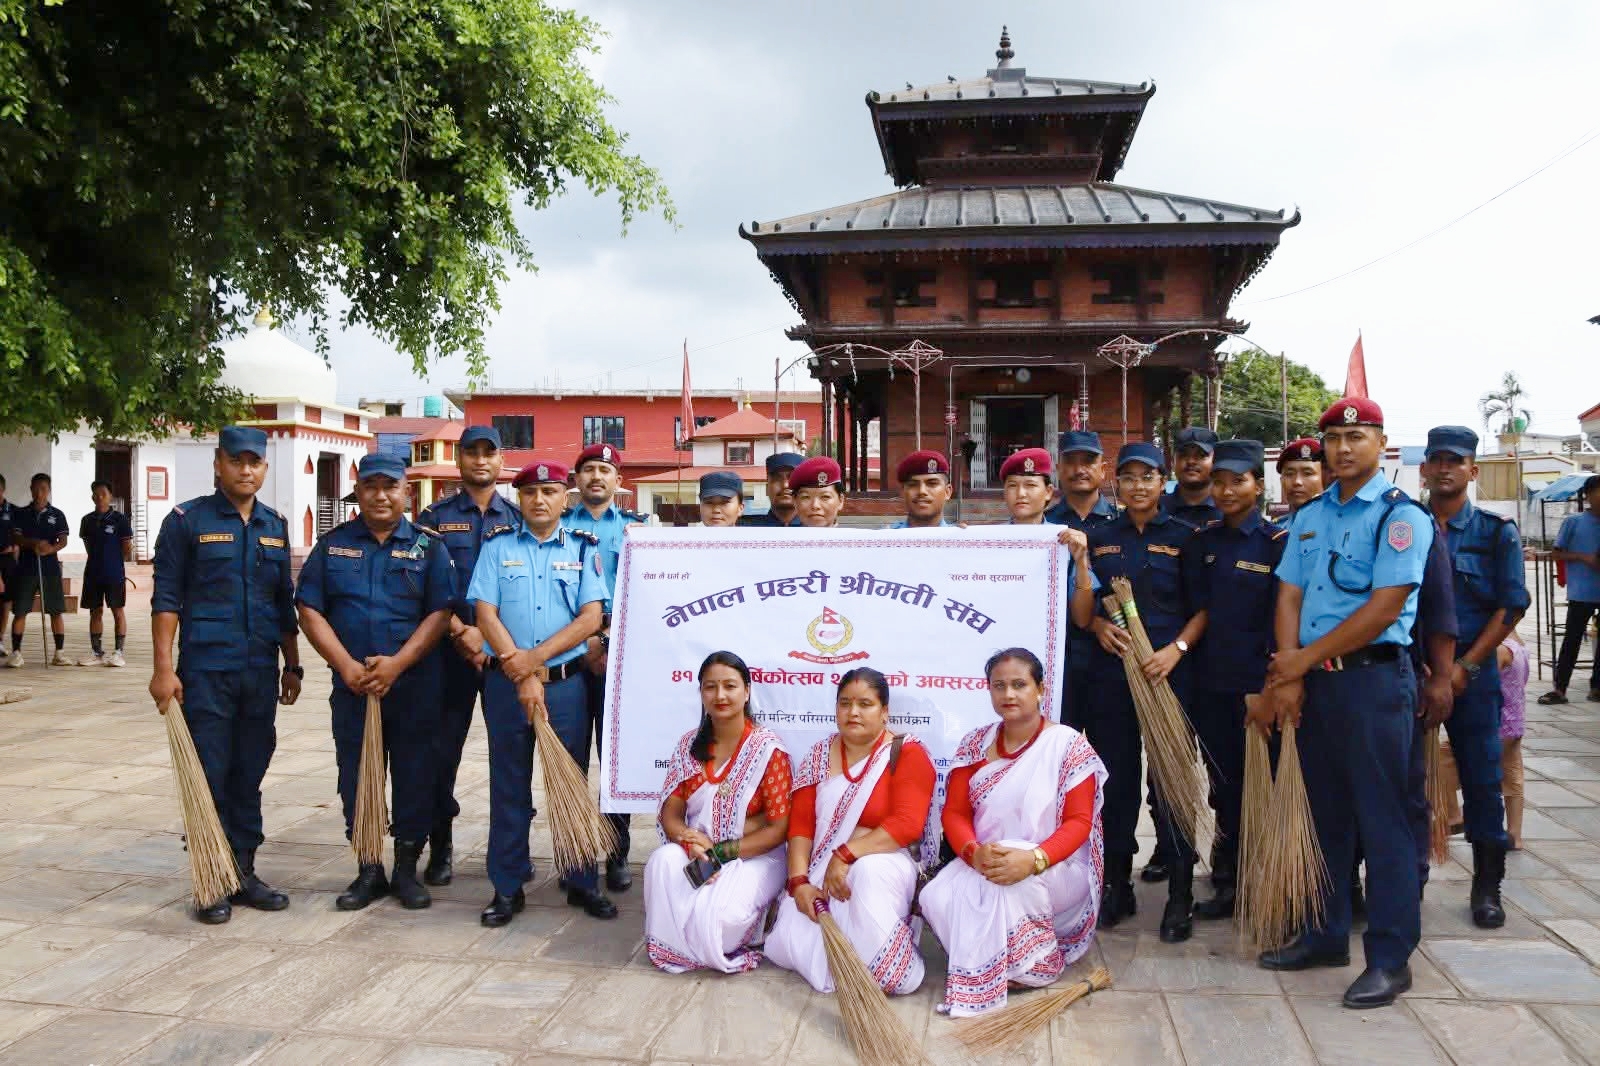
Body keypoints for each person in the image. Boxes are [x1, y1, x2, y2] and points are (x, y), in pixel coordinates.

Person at [1258, 396, 1432, 1010]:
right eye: (1333, 438)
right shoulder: (1313, 516)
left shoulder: (1399, 517)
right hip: (1318, 686)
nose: (1342, 448)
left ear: (1381, 443)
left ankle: (1390, 958)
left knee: (1383, 822)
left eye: (1356, 437)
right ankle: (1326, 935)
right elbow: (1288, 595)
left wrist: (1300, 661)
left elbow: (1385, 605)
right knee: (1324, 815)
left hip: (1373, 683)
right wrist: (1292, 676)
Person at [149, 426, 302, 924]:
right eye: (236, 461)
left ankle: (243, 871)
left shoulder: (275, 526)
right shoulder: (186, 521)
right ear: (218, 463)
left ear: (264, 467)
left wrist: (293, 663)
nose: (246, 470)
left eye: (255, 462)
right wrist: (162, 669)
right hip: (206, 673)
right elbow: (166, 598)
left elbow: (283, 606)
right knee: (209, 773)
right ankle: (209, 878)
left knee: (249, 773)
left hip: (259, 671)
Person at [295, 454, 455, 912]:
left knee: (415, 775)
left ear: (407, 492)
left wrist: (398, 664)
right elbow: (309, 609)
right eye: (371, 486)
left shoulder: (429, 547)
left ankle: (406, 869)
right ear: (358, 491)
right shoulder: (334, 545)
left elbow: (440, 613)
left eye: (391, 486)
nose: (381, 495)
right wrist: (345, 665)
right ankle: (369, 869)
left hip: (413, 686)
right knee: (357, 776)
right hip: (354, 688)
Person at [920, 648, 1107, 1018]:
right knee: (936, 897)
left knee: (1007, 885)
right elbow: (955, 812)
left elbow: (1079, 823)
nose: (1008, 694)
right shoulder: (975, 744)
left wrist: (1033, 858)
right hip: (987, 859)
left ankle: (1036, 966)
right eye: (999, 686)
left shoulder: (1068, 745)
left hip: (1056, 866)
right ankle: (994, 960)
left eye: (1019, 685)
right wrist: (973, 852)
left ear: (1041, 689)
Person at [471, 459, 612, 925]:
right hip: (506, 686)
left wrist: (535, 660)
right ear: (520, 498)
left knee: (570, 780)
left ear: (563, 498)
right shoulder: (496, 547)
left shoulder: (582, 548)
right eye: (530, 492)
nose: (539, 499)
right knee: (508, 784)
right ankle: (507, 886)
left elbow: (591, 618)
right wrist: (523, 670)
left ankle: (580, 880)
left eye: (549, 491)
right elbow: (485, 615)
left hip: (567, 685)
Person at [1083, 442, 1204, 940]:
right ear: (1117, 482)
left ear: (1163, 481)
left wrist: (1176, 648)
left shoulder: (1186, 536)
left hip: (1169, 677)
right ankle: (1117, 884)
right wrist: (1095, 625)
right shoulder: (1098, 537)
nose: (1137, 486)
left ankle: (1180, 893)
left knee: (1171, 784)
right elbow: (1081, 599)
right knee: (1117, 784)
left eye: (1147, 477)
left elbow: (1204, 608)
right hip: (1114, 679)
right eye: (1128, 477)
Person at [764, 668, 936, 995]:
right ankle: (853, 963)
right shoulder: (819, 754)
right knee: (788, 941)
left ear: (885, 712)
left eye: (865, 704)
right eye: (844, 703)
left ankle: (890, 969)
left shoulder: (907, 753)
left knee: (867, 872)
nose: (853, 712)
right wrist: (799, 883)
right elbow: (802, 826)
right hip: (820, 868)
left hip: (885, 862)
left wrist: (846, 854)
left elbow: (906, 824)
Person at [1421, 425, 1528, 928]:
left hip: (1473, 671)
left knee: (1483, 780)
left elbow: (1511, 605)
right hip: (1414, 669)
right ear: (1423, 467)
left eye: (1455, 461)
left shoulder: (1494, 531)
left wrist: (1465, 667)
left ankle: (1488, 885)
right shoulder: (1405, 524)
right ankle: (1406, 875)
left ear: (1472, 470)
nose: (1444, 469)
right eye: (1436, 460)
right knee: (1405, 778)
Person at [1182, 440, 1287, 921]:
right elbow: (1197, 611)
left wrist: (1266, 686)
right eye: (1220, 480)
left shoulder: (1276, 545)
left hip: (1257, 689)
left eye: (1237, 480)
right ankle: (1228, 879)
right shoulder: (1202, 543)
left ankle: (1266, 877)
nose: (1226, 490)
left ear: (1258, 486)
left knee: (1260, 786)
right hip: (1210, 685)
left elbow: (1281, 620)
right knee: (1222, 786)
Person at [414, 425, 521, 887]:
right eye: (471, 453)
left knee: (512, 756)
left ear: (501, 461)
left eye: (489, 453)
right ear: (459, 461)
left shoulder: (518, 520)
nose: (480, 461)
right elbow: (417, 580)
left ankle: (510, 852)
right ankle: (440, 847)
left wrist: (489, 638)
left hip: (501, 656)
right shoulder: (433, 517)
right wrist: (461, 631)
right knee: (440, 756)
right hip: (447, 656)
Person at [644, 651, 792, 972]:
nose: (720, 695)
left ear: (747, 691)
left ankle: (699, 933)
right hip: (700, 851)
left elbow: (779, 828)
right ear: (700, 693)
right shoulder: (689, 746)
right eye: (710, 687)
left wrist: (721, 852)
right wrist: (688, 841)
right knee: (662, 861)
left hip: (756, 856)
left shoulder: (768, 750)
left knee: (722, 930)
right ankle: (682, 940)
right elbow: (671, 812)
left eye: (730, 686)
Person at [562, 442, 646, 892]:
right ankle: (574, 852)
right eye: (588, 470)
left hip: (621, 657)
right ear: (576, 480)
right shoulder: (556, 527)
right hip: (571, 657)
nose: (596, 477)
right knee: (571, 757)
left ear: (618, 481)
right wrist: (587, 641)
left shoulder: (637, 530)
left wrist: (607, 639)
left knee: (615, 758)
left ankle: (617, 852)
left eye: (605, 470)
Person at [1542, 473, 1600, 704]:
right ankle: (1560, 688)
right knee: (1572, 639)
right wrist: (1583, 557)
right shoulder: (1573, 523)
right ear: (1588, 496)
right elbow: (1556, 553)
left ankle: (1597, 687)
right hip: (1582, 593)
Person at [6, 473, 70, 667]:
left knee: (56, 611)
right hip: (26, 567)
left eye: (43, 489)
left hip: (49, 568)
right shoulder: (21, 514)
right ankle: (16, 652)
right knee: (21, 611)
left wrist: (50, 548)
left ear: (48, 490)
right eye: (35, 488)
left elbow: (63, 540)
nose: (39, 493)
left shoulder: (57, 514)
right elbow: (16, 538)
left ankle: (59, 653)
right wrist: (31, 543)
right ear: (30, 489)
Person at [77, 481, 134, 667]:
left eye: (103, 493)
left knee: (117, 611)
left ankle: (118, 652)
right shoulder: (87, 520)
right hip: (93, 573)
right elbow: (88, 546)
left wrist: (113, 562)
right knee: (95, 612)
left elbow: (126, 547)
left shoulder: (120, 519)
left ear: (110, 496)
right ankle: (96, 652)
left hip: (114, 574)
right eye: (96, 493)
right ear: (92, 497)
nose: (99, 496)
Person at [1045, 430, 1119, 530]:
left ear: (1102, 470)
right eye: (1070, 462)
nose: (1079, 470)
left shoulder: (1121, 521)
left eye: (1088, 461)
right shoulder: (1044, 522)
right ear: (1059, 470)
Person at [1160, 426, 1223, 528]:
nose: (1191, 461)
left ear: (1216, 461)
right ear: (1173, 462)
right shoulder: (1155, 509)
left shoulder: (1229, 510)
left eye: (1201, 455)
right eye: (1183, 455)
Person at [889, 451, 953, 528]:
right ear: (902, 492)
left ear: (947, 492)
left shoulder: (962, 537)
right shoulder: (884, 538)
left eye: (932, 484)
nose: (921, 491)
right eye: (913, 485)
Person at [742, 452, 804, 527]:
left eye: (792, 478)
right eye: (777, 479)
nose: (785, 485)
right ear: (766, 489)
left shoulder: (816, 529)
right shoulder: (745, 529)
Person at [1000, 448, 1056, 525]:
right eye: (1012, 485)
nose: (1020, 494)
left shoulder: (1061, 536)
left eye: (1030, 485)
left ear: (1048, 492)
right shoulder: (991, 536)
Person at [790, 456, 846, 529]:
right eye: (806, 497)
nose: (815, 506)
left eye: (825, 497)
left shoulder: (857, 540)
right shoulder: (780, 539)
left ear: (840, 501)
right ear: (794, 501)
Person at [1277, 438, 1328, 513]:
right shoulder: (1280, 524)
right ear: (1281, 481)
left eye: (1307, 473)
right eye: (1290, 474)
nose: (1297, 481)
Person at [0, 474, 18, 643]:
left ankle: (0, 639)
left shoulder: (13, 510)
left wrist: (14, 549)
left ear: (3, 489)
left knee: (6, 601)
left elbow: (18, 537)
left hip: (7, 560)